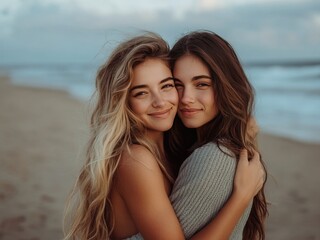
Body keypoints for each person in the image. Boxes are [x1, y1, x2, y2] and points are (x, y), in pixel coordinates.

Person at [63, 32, 264, 240]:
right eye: (141, 92)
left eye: (167, 86)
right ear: (124, 103)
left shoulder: (173, 149)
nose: (160, 102)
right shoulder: (136, 159)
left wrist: (245, 128)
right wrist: (240, 197)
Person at [167, 30, 268, 239]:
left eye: (202, 84)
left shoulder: (214, 156)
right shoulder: (221, 145)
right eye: (177, 85)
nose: (186, 98)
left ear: (226, 86)